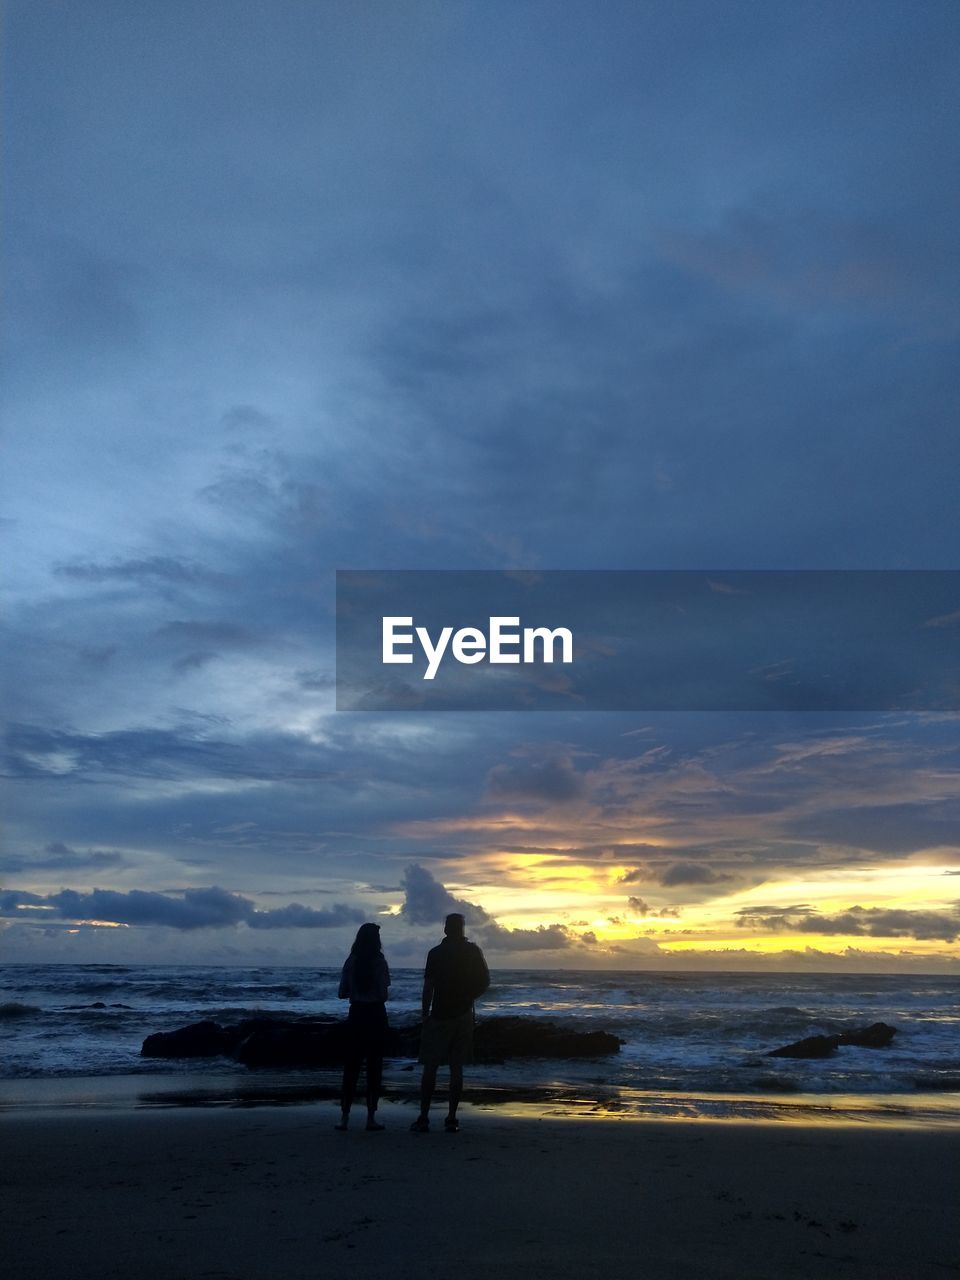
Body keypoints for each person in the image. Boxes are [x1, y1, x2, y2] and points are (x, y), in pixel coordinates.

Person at [410, 912, 489, 1133]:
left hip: (439, 1014)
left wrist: (424, 1013)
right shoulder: (473, 952)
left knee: (430, 1067)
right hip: (463, 1014)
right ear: (462, 929)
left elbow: (429, 987)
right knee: (457, 1068)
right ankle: (452, 1118)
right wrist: (468, 997)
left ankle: (424, 1117)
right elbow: (485, 982)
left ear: (446, 929)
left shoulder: (436, 953)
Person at [336, 922, 390, 1131]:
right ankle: (370, 1118)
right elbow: (384, 994)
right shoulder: (380, 962)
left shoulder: (352, 961)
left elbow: (342, 992)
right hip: (376, 1015)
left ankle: (344, 1117)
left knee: (351, 1068)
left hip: (356, 1014)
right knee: (374, 1069)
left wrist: (356, 992)